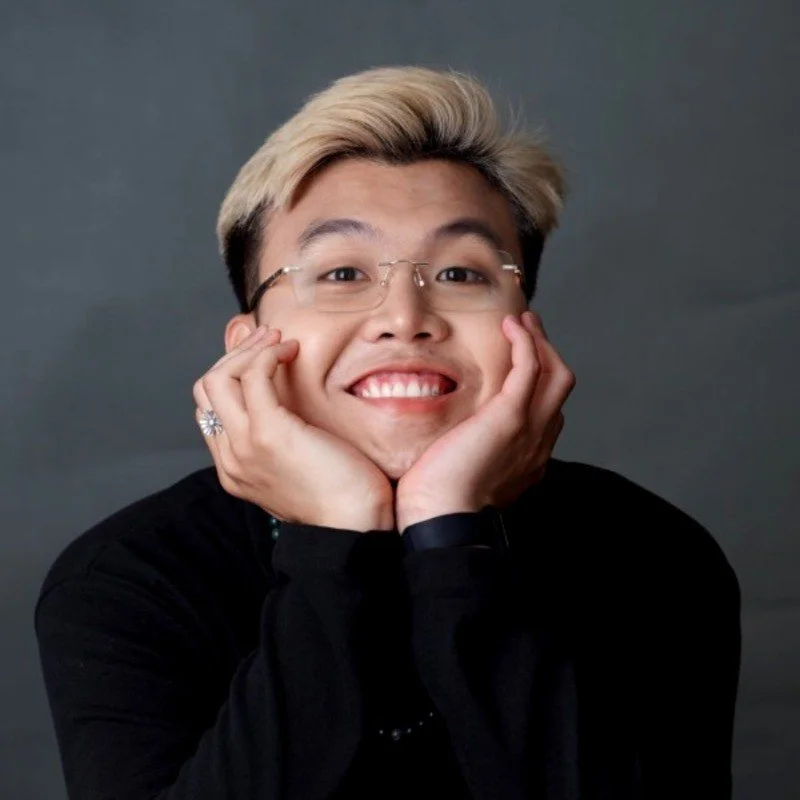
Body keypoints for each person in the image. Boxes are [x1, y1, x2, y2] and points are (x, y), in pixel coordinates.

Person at [35, 66, 740, 799]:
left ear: (527, 329)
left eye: (461, 274)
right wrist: (336, 539)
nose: (405, 317)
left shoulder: (652, 554)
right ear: (248, 343)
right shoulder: (129, 579)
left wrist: (449, 533)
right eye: (342, 274)